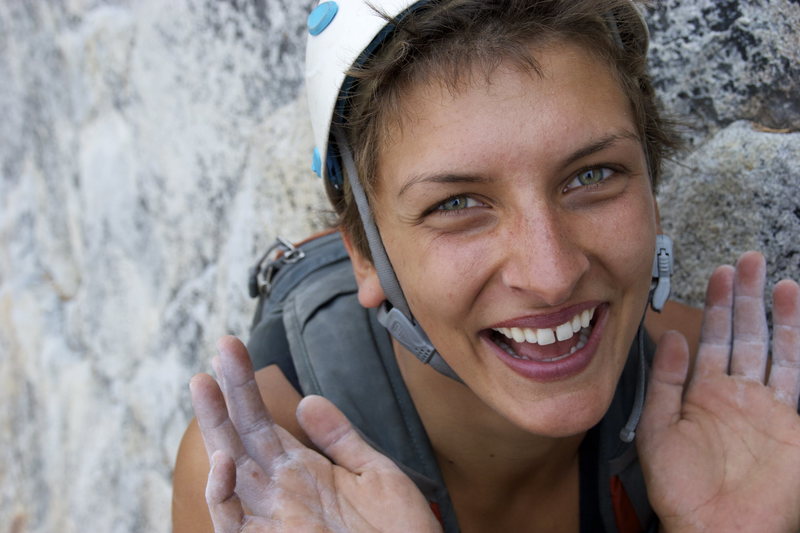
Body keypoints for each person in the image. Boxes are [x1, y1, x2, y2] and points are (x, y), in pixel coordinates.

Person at [172, 0, 800, 531]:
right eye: (458, 204)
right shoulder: (268, 479)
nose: (552, 273)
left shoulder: (730, 413)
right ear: (364, 254)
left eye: (592, 175)